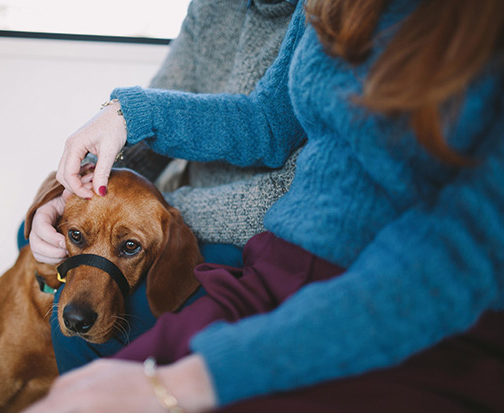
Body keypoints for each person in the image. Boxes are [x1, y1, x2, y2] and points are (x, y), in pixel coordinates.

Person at [27, 0, 504, 411]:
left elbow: (455, 257)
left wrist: (182, 385)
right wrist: (128, 117)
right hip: (278, 262)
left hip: (377, 283)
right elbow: (269, 124)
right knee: (86, 394)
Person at [27, 0, 299, 372]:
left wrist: (153, 213)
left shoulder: (327, 16)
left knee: (92, 332)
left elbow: (281, 171)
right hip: (166, 208)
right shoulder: (212, 6)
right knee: (25, 237)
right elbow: (157, 131)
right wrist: (87, 189)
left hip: (254, 235)